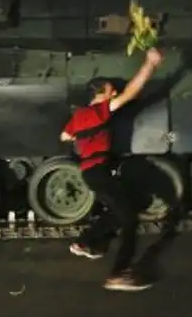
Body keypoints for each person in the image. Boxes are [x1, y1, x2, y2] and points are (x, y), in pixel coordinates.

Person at [60, 47, 163, 292]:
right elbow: (130, 93)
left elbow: (64, 135)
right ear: (99, 94)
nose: (114, 92)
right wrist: (150, 64)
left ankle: (87, 242)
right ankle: (119, 273)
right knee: (129, 217)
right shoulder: (99, 112)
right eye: (109, 91)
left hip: (91, 172)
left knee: (121, 210)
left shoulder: (80, 116)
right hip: (99, 170)